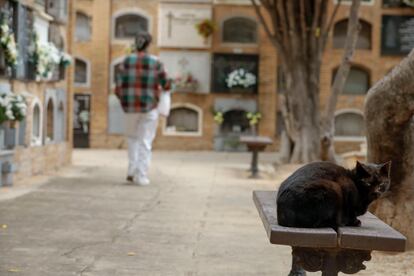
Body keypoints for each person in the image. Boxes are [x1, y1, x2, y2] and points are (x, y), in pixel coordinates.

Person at [115, 31, 171, 186]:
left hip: (130, 108)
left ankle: (131, 170)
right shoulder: (156, 62)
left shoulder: (125, 61)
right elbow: (166, 84)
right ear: (149, 44)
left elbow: (118, 88)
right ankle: (141, 176)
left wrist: (125, 100)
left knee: (132, 138)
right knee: (145, 141)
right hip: (149, 107)